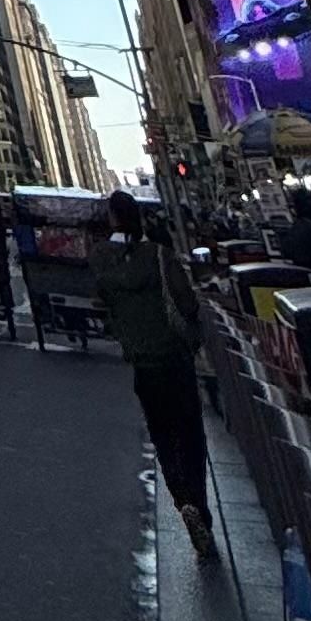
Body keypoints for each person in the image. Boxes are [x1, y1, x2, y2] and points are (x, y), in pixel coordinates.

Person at [96, 189, 217, 561]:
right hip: (175, 360)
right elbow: (187, 303)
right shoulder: (160, 257)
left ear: (112, 220)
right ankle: (198, 504)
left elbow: (104, 310)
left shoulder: (102, 260)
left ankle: (182, 501)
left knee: (163, 436)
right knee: (190, 436)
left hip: (143, 365)